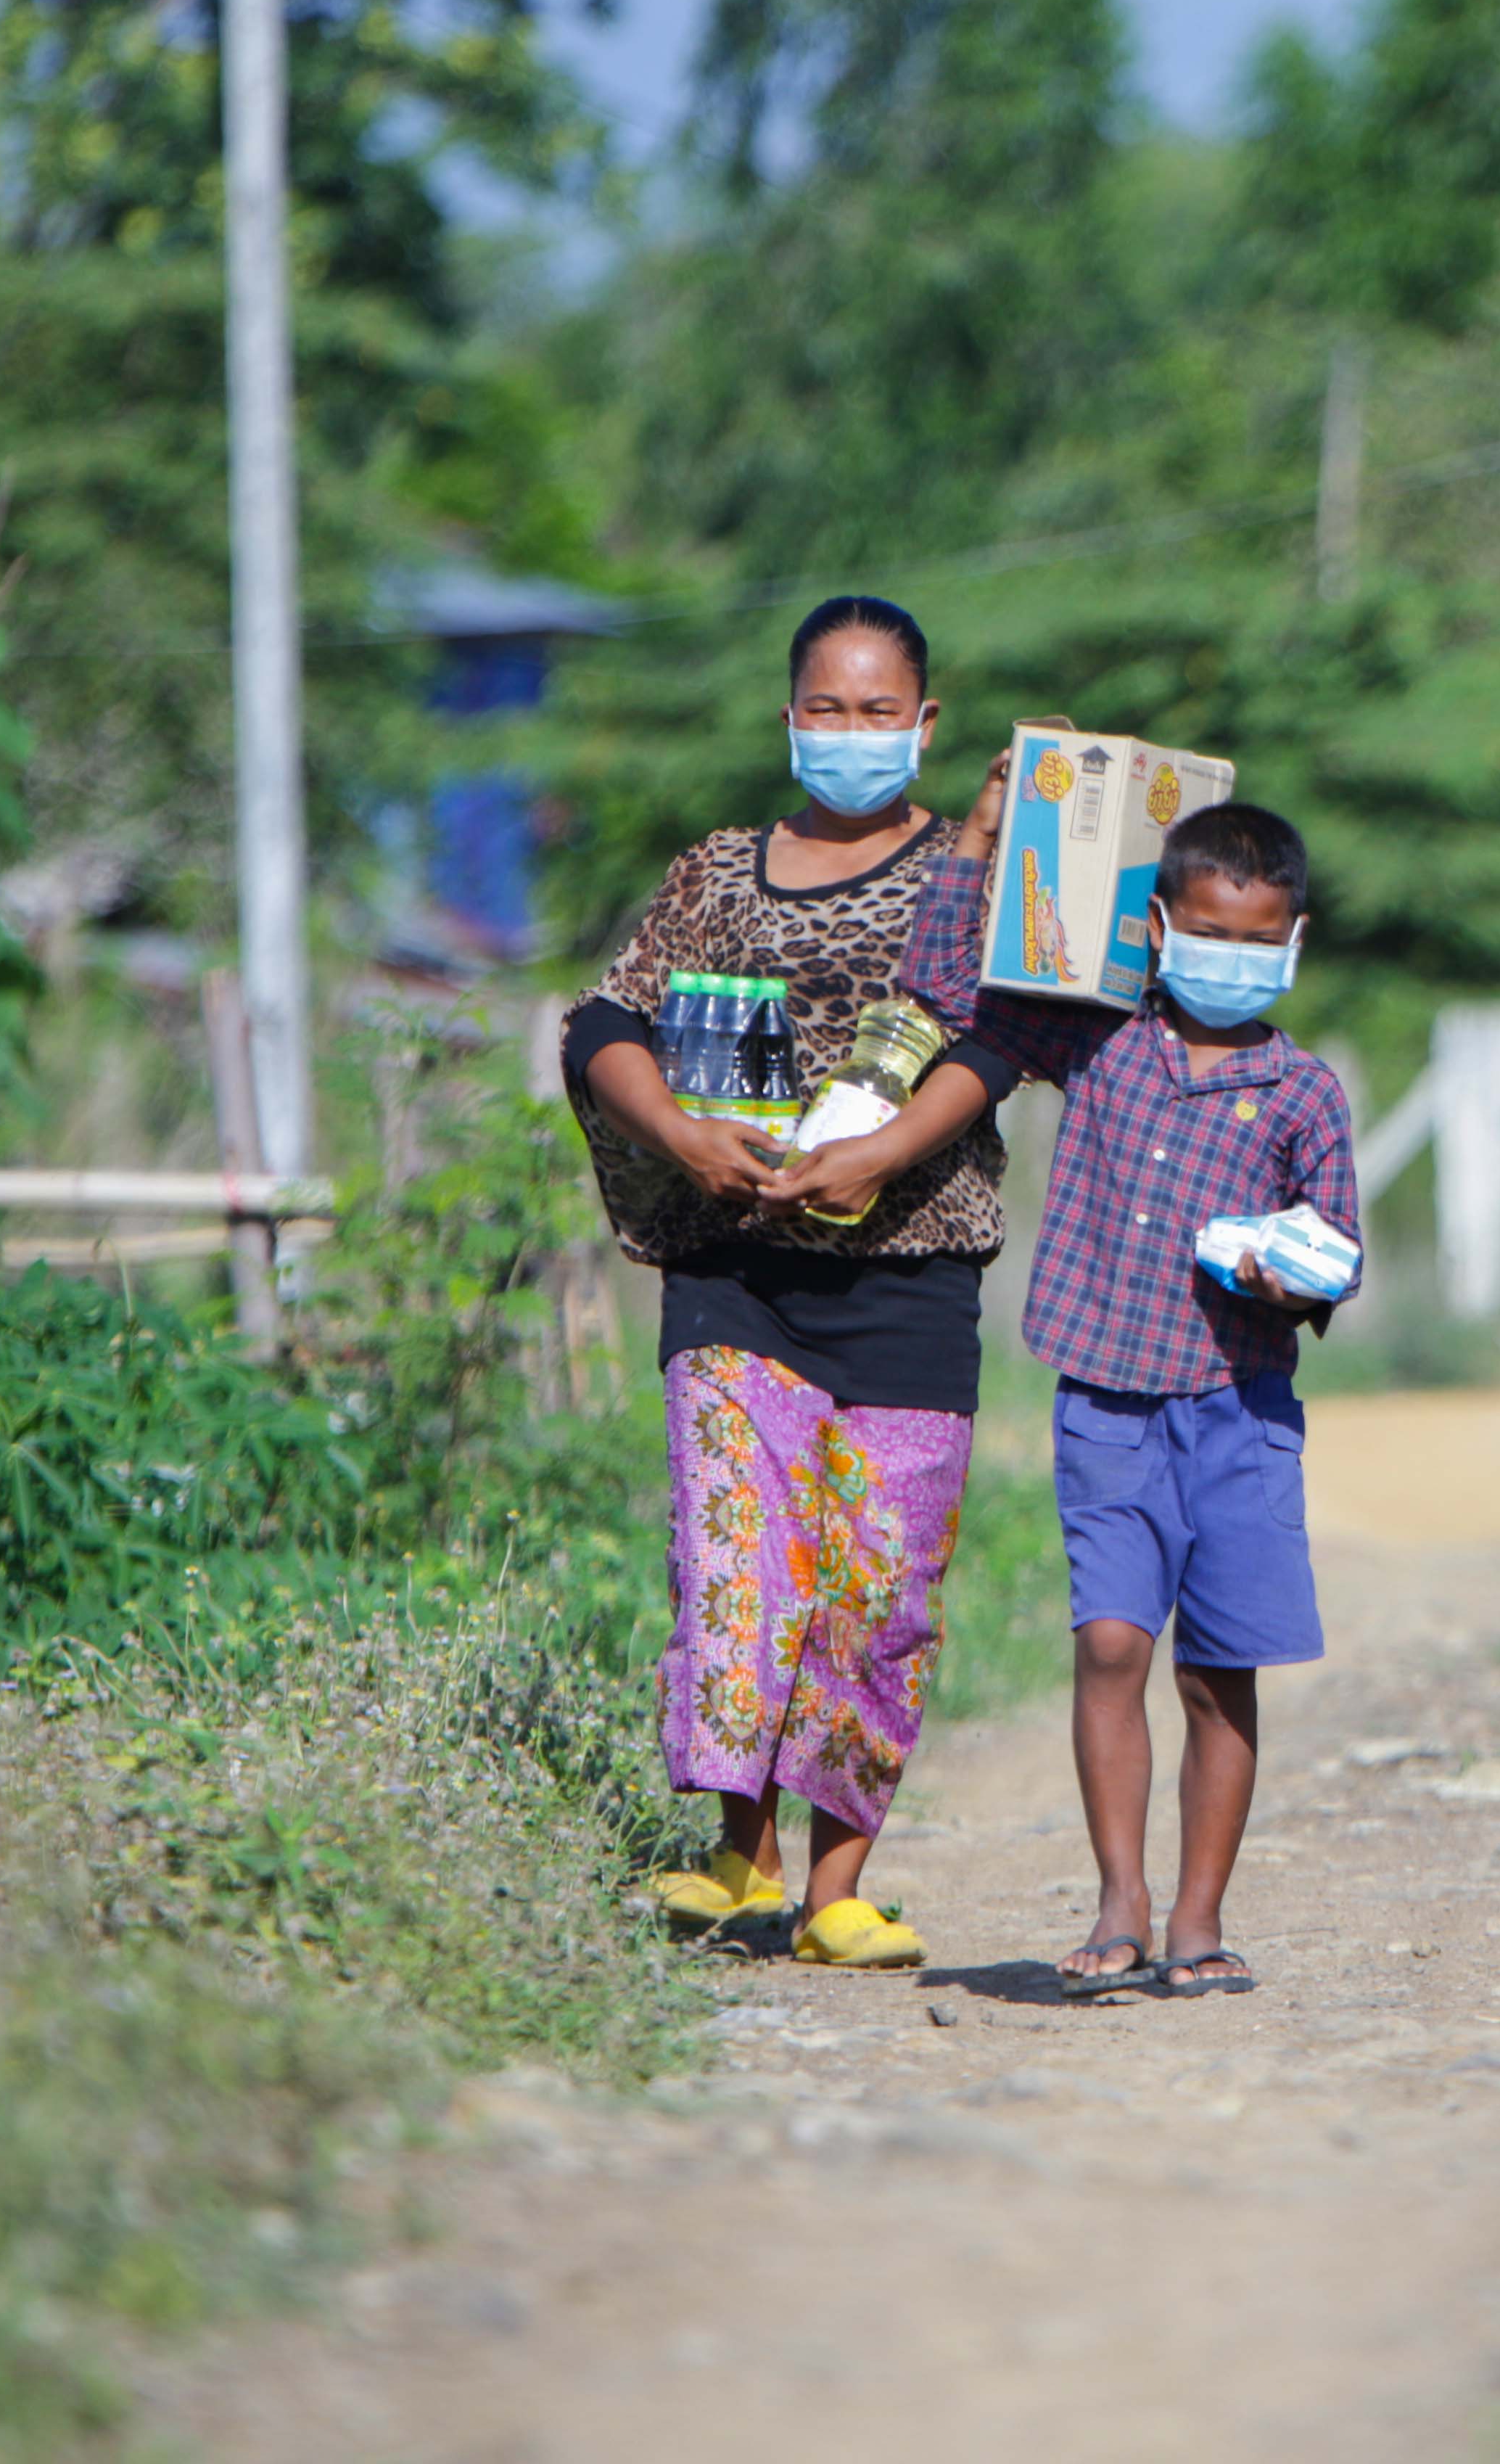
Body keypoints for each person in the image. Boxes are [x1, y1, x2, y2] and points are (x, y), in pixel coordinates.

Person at [564, 594, 1018, 1971]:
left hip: (911, 1277)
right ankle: (733, 1859)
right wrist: (686, 1136)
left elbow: (997, 1042)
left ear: (925, 727)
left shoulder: (976, 878)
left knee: (877, 1582)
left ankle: (840, 1887)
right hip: (734, 1272)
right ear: (789, 718)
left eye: (880, 712)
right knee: (738, 1560)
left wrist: (877, 1152)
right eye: (828, 708)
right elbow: (605, 1023)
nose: (852, 734)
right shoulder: (713, 870)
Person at [887, 801, 1358, 1999]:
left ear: (1294, 942)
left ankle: (1199, 1918)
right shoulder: (1097, 1039)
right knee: (1108, 1644)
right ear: (1158, 928)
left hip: (1239, 1408)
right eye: (1207, 932)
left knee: (1216, 1671)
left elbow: (1335, 1248)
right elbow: (946, 982)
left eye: (1258, 942)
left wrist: (1289, 1268)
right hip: (1103, 1397)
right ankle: (1120, 1897)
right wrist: (977, 846)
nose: (1231, 959)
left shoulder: (1304, 1093)